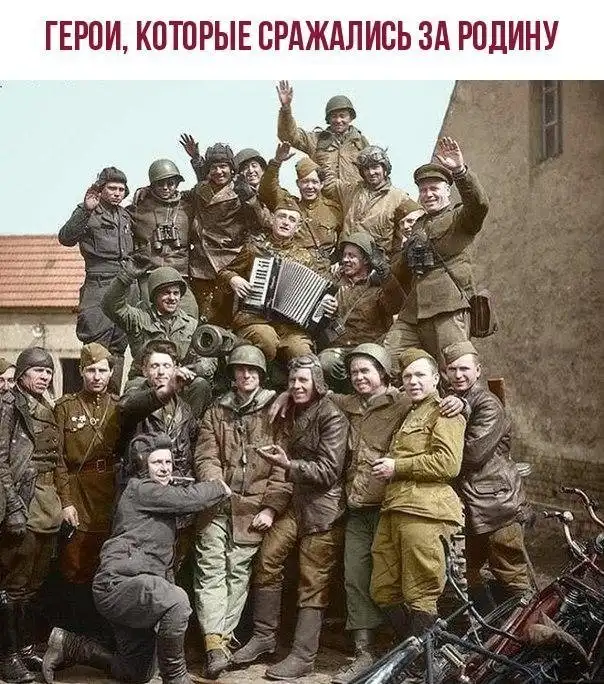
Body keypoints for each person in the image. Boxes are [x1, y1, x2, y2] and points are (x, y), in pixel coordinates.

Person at [42, 432, 231, 684]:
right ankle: (175, 678)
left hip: (136, 589)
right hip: (119, 584)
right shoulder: (140, 488)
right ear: (143, 466)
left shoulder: (157, 493)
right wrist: (220, 486)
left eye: (168, 462)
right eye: (157, 462)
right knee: (177, 600)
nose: (165, 468)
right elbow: (190, 499)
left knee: (136, 673)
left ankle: (69, 645)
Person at [231, 355, 348, 680]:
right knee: (267, 558)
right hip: (295, 503)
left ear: (317, 383)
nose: (296, 386)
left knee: (314, 580)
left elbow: (328, 471)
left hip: (324, 509)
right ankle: (264, 636)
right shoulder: (292, 408)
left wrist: (287, 465)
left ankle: (303, 656)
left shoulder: (332, 416)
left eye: (303, 381)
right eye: (292, 381)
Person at [192, 345, 292, 679]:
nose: (246, 375)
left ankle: (221, 639)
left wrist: (271, 508)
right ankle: (214, 645)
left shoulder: (276, 411)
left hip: (254, 509)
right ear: (232, 375)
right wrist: (216, 485)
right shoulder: (216, 410)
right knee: (210, 570)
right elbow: (205, 455)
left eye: (252, 370)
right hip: (217, 504)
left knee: (237, 572)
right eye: (240, 369)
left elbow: (282, 468)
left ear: (261, 375)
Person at [369, 348, 465, 641]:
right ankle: (411, 651)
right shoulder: (409, 412)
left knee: (421, 593)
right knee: (382, 589)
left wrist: (397, 466)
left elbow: (448, 463)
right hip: (394, 508)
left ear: (436, 379)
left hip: (425, 511)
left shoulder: (445, 412)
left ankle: (423, 660)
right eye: (408, 376)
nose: (413, 381)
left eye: (420, 375)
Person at [384, 137, 490, 368]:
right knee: (387, 361)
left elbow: (479, 204)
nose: (428, 194)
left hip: (448, 308)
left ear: (448, 191)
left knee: (454, 369)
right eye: (423, 190)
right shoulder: (417, 226)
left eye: (434, 188)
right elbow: (402, 271)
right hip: (413, 314)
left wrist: (460, 172)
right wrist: (380, 268)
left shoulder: (460, 218)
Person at [443, 341, 530, 611]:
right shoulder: (453, 400)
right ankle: (493, 624)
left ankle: (529, 626)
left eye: (464, 369)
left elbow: (472, 454)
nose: (458, 375)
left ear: (478, 370)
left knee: (511, 575)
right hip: (471, 507)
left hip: (497, 506)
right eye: (452, 369)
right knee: (466, 572)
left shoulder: (488, 404)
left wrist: (439, 451)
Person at [0, 348, 63, 684]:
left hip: (47, 502)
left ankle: (24, 647)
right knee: (13, 585)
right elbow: (1, 460)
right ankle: (6, 656)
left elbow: (56, 460)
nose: (44, 377)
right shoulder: (9, 404)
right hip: (22, 501)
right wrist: (12, 506)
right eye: (38, 370)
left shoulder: (47, 406)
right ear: (22, 373)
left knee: (33, 584)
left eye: (48, 371)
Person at [217, 198, 338, 364]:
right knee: (267, 341)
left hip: (291, 327)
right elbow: (224, 272)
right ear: (273, 219)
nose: (286, 222)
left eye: (292, 219)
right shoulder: (254, 248)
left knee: (303, 355)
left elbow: (323, 291)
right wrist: (233, 278)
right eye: (282, 216)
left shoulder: (306, 257)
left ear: (298, 227)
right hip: (255, 319)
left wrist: (329, 303)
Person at [54, 343, 121, 638]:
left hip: (109, 493)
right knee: (75, 564)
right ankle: (72, 637)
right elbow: (57, 459)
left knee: (106, 563)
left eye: (102, 370)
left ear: (111, 372)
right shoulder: (65, 407)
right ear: (81, 371)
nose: (97, 376)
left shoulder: (118, 407)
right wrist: (66, 501)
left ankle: (101, 637)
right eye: (91, 370)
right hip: (77, 491)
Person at [118, 340, 201, 574]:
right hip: (145, 505)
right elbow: (128, 407)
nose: (161, 372)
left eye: (167, 366)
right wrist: (166, 391)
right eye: (154, 366)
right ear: (144, 370)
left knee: (174, 566)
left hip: (177, 505)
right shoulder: (133, 398)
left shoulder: (185, 410)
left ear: (176, 368)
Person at [102, 264, 216, 417]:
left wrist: (192, 370)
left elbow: (207, 357)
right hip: (144, 380)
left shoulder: (191, 324)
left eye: (176, 293)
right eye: (166, 293)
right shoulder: (138, 319)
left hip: (178, 381)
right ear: (155, 295)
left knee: (201, 385)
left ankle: (188, 427)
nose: (172, 298)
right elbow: (111, 306)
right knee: (130, 398)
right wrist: (125, 277)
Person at [58, 167, 135, 392]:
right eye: (112, 188)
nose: (117, 193)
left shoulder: (125, 216)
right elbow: (65, 238)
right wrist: (86, 211)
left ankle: (111, 402)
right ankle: (89, 401)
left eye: (121, 189)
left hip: (124, 287)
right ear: (100, 190)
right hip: (99, 285)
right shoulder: (88, 211)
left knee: (118, 347)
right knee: (95, 347)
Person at [318, 232, 404, 390]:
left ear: (366, 260)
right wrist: (323, 308)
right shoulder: (333, 282)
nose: (345, 260)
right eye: (344, 255)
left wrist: (385, 274)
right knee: (326, 362)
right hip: (339, 350)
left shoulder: (379, 287)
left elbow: (396, 306)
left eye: (352, 256)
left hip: (370, 349)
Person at [188, 143, 262, 327]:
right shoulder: (201, 189)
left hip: (231, 261)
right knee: (205, 322)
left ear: (231, 168)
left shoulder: (241, 191)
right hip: (201, 267)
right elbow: (179, 197)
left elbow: (260, 222)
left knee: (230, 319)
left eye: (223, 166)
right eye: (214, 167)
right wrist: (147, 191)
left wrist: (251, 200)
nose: (218, 171)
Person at [258, 142, 343, 275]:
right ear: (298, 184)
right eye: (305, 182)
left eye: (314, 182)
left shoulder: (334, 210)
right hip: (296, 268)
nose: (310, 186)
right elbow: (267, 189)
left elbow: (344, 237)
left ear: (321, 184)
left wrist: (338, 260)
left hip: (327, 270)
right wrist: (277, 162)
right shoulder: (290, 205)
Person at [129, 158, 198, 318]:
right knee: (147, 319)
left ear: (177, 184)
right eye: (160, 184)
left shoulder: (188, 208)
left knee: (190, 315)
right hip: (150, 275)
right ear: (152, 185)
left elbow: (205, 189)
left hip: (180, 276)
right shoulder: (139, 209)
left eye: (171, 183)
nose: (166, 187)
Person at [323, 145, 415, 262]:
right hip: (346, 261)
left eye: (375, 167)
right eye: (366, 169)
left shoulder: (399, 198)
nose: (371, 172)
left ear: (385, 169)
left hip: (376, 266)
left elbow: (419, 217)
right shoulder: (350, 191)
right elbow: (327, 184)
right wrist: (327, 149)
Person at [276, 80, 369, 186]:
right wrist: (286, 109)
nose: (338, 120)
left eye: (342, 116)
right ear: (328, 119)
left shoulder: (361, 142)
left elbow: (373, 172)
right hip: (323, 195)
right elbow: (288, 136)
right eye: (334, 116)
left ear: (350, 118)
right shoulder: (316, 139)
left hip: (354, 195)